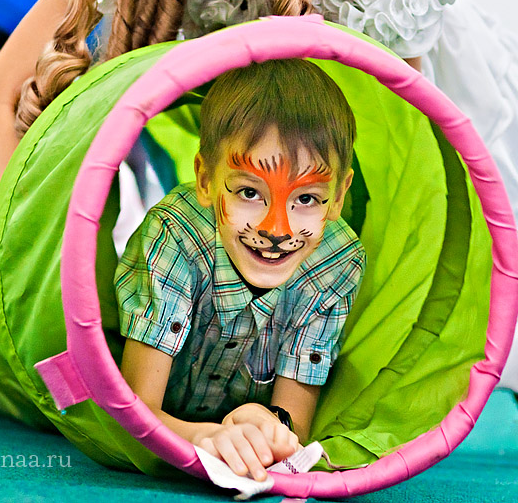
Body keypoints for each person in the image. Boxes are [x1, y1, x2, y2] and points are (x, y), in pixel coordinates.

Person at [0, 0, 518, 473]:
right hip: (247, 153)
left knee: (429, 340)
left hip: (377, 134)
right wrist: (39, 265)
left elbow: (400, 166)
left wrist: (270, 417)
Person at [115, 58, 364, 481]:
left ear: (338, 197)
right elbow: (135, 412)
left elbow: (293, 431)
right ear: (206, 179)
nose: (277, 231)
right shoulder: (175, 237)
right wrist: (204, 438)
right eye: (249, 192)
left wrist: (267, 424)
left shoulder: (335, 264)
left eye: (306, 199)